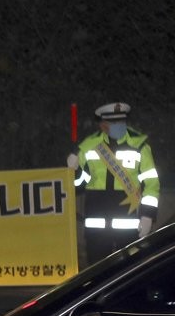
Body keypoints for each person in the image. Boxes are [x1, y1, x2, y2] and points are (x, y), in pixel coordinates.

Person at [69, 101, 161, 266]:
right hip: (96, 228)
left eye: (121, 121)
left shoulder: (139, 146)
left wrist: (148, 215)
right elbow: (78, 184)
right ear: (103, 124)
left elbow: (152, 184)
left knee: (130, 271)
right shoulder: (89, 146)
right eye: (113, 122)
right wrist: (73, 170)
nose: (118, 125)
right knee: (97, 274)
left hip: (128, 227)